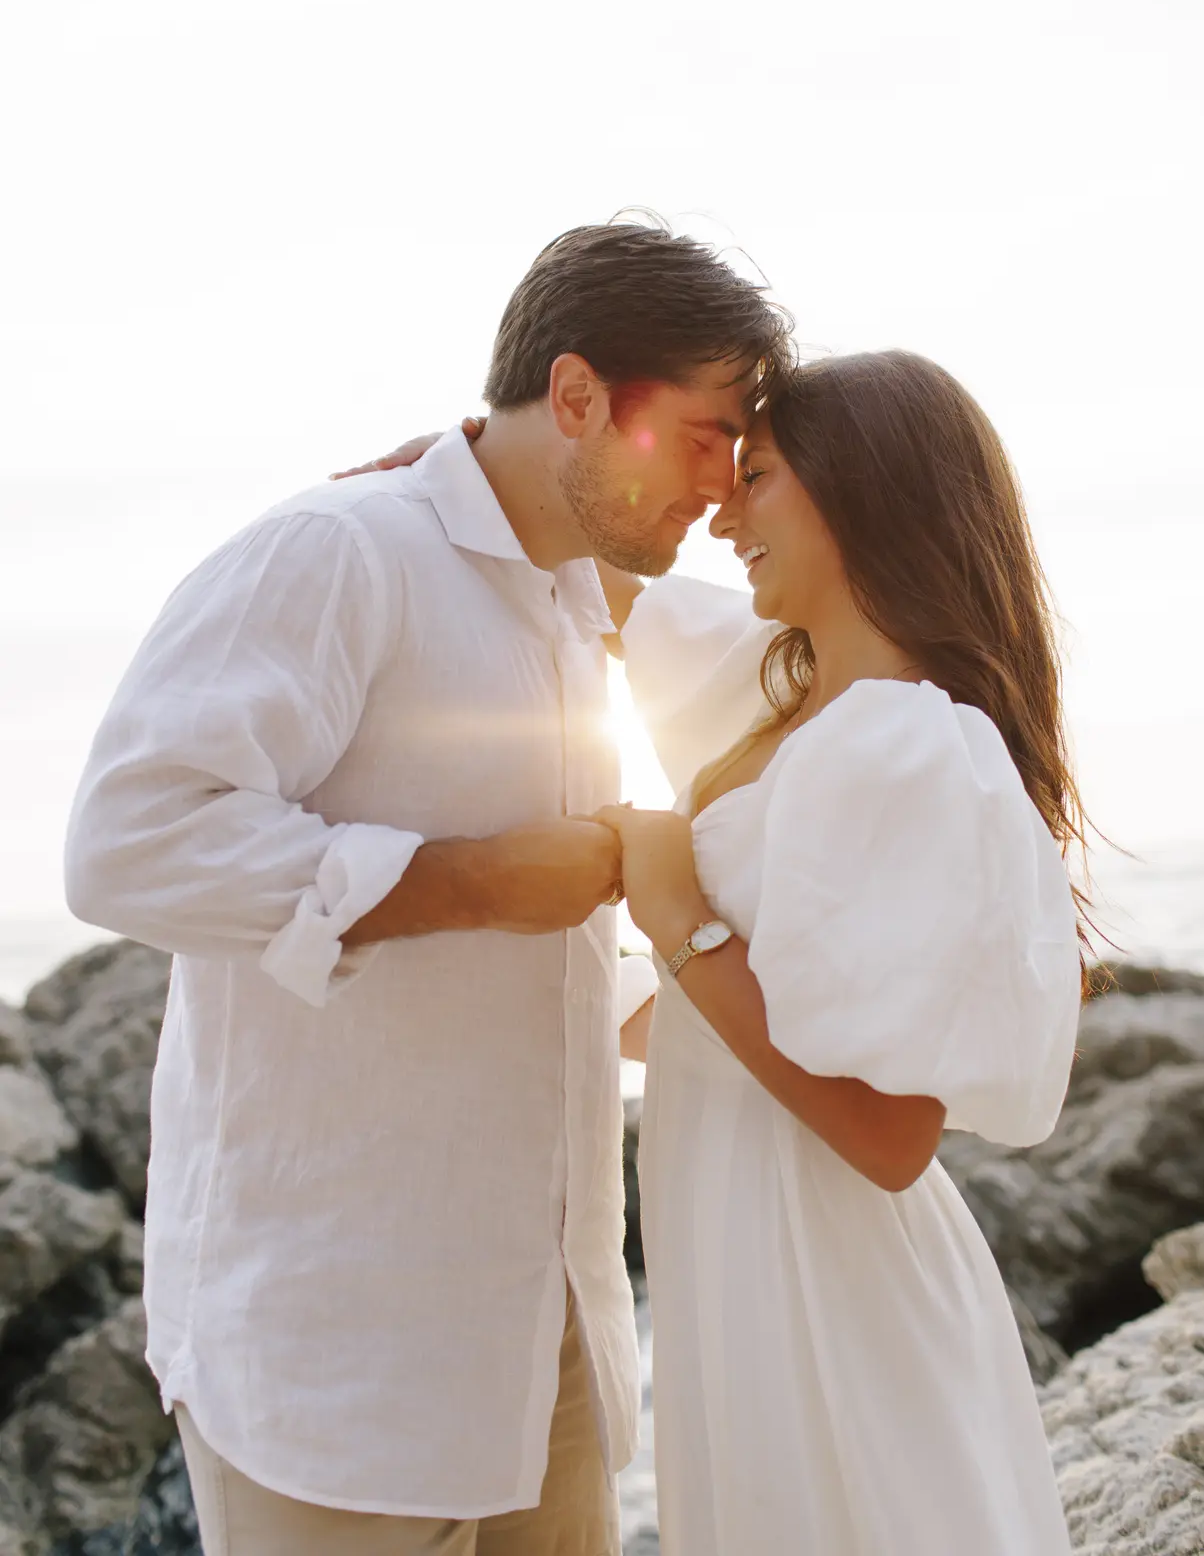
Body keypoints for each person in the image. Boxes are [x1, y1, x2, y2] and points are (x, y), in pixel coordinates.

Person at [63, 212, 794, 1556]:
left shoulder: (585, 599)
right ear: (578, 396)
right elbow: (127, 838)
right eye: (706, 436)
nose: (725, 484)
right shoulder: (338, 551)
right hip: (332, 1357)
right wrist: (462, 883)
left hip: (548, 1343)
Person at [369, 349, 1086, 1555]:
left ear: (858, 493)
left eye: (755, 478)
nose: (723, 517)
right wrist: (454, 475)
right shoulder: (776, 691)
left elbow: (889, 1134)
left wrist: (678, 920)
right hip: (740, 1237)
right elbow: (605, 572)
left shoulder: (910, 745)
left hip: (827, 1268)